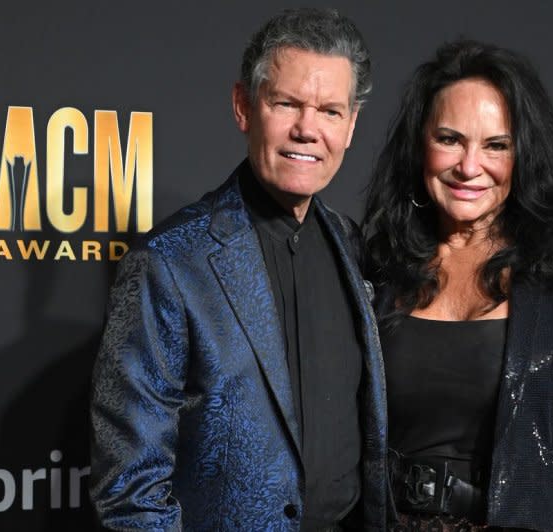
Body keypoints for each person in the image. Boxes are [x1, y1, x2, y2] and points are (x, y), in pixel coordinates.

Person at [89, 9, 387, 531]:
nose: (307, 129)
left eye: (330, 111)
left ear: (352, 125)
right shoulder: (170, 262)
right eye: (286, 103)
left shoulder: (353, 247)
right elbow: (130, 489)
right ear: (243, 107)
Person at [363, 40, 553, 532]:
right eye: (449, 139)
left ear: (524, 154)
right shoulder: (377, 266)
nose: (469, 167)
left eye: (496, 145)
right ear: (419, 143)